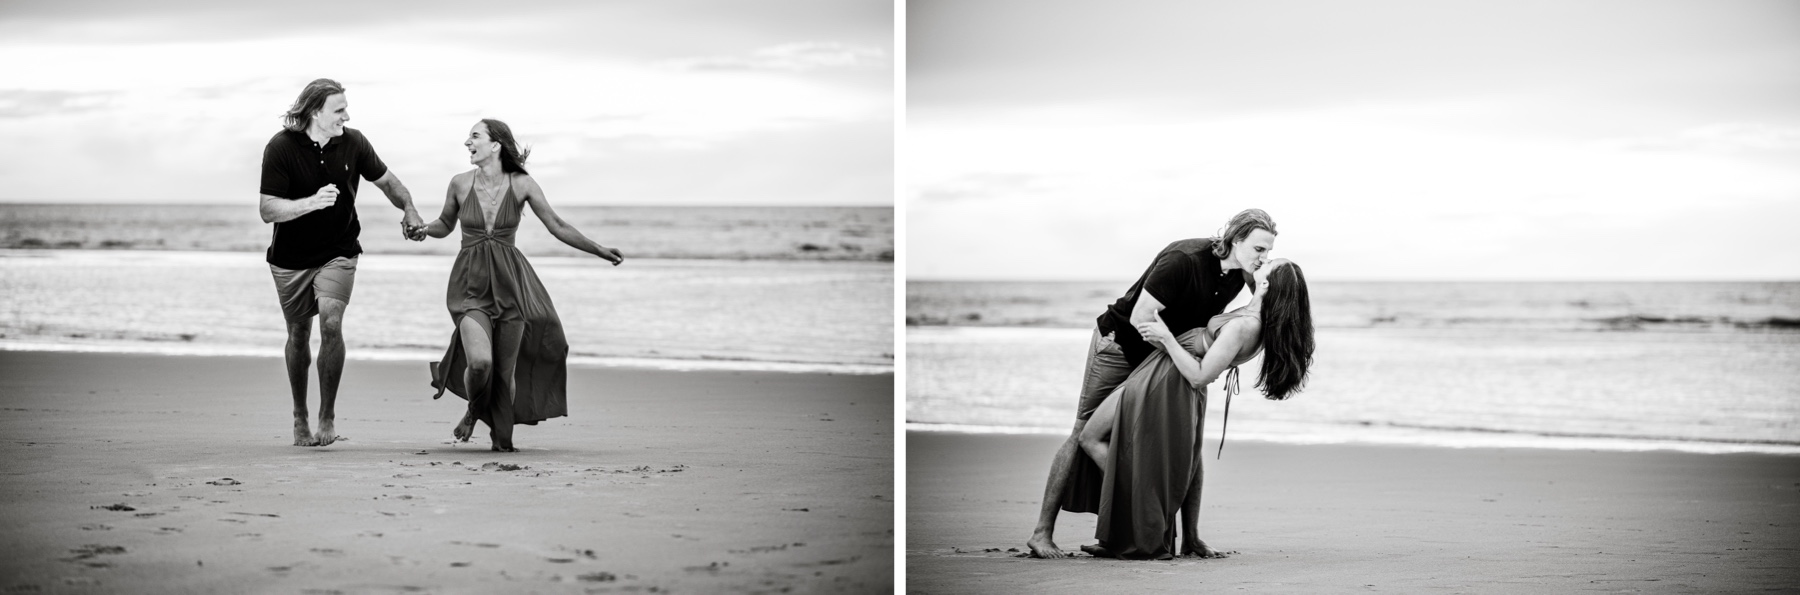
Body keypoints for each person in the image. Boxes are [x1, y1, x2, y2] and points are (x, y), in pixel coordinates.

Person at [1027, 208, 1278, 559]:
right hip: (1120, 346)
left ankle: (1191, 538)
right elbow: (1141, 316)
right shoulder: (1184, 259)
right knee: (1085, 429)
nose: (1264, 257)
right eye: (1259, 249)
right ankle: (1042, 533)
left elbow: (1254, 309)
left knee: (1188, 443)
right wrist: (1180, 356)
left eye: (1268, 251)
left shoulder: (1240, 273)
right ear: (1236, 240)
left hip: (1166, 356)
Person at [1073, 258, 1314, 559]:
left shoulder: (1245, 325)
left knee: (1090, 437)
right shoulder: (1257, 311)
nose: (1261, 260)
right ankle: (1147, 525)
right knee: (1174, 457)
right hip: (1166, 371)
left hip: (1169, 379)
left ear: (1266, 283)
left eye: (1268, 262)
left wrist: (1166, 338)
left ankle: (1144, 515)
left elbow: (1200, 376)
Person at [418, 119, 624, 452]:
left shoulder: (523, 184)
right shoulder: (459, 183)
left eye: (474, 136)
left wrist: (598, 249)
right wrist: (424, 230)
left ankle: (489, 426)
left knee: (504, 374)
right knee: (480, 363)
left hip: (510, 286)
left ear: (495, 144)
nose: (467, 142)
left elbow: (557, 225)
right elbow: (444, 223)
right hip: (470, 286)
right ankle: (474, 409)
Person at [259, 78, 425, 447]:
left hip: (339, 250)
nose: (346, 117)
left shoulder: (354, 142)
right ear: (315, 112)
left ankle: (327, 416)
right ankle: (300, 415)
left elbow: (388, 182)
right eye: (338, 110)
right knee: (298, 335)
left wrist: (409, 208)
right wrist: (310, 203)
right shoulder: (281, 147)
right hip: (291, 258)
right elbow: (267, 209)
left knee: (331, 323)